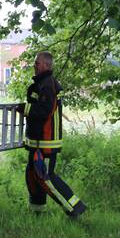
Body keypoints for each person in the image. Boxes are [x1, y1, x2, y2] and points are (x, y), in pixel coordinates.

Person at [22, 51, 87, 218]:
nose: (34, 65)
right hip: (37, 143)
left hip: (47, 142)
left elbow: (45, 111)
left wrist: (25, 109)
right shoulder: (41, 83)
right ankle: (37, 213)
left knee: (45, 177)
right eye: (35, 62)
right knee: (32, 176)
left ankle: (75, 209)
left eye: (37, 62)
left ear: (47, 65)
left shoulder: (48, 84)